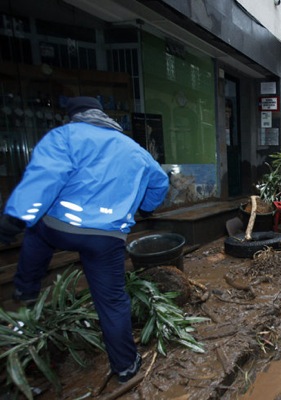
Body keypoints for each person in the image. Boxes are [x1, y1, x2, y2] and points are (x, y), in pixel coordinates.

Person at [0, 97, 169, 383]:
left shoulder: (64, 136)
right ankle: (126, 367)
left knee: (35, 233)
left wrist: (16, 218)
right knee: (113, 301)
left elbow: (45, 176)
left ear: (74, 116)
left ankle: (26, 290)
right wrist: (147, 206)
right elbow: (160, 181)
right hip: (106, 237)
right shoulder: (133, 149)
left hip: (58, 225)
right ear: (102, 116)